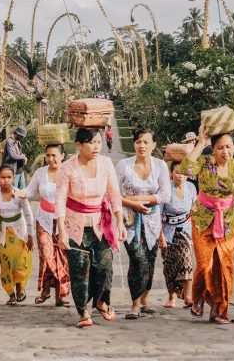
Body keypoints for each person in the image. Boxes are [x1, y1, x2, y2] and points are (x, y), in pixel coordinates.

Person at [180, 120, 234, 324]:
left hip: (228, 223)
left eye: (228, 147)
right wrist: (200, 142)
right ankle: (197, 298)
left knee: (224, 268)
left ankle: (218, 310)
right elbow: (185, 169)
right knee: (205, 265)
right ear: (212, 149)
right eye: (219, 147)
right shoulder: (204, 162)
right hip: (202, 220)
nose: (224, 151)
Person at [55, 128, 126, 328]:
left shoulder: (105, 164)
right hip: (74, 227)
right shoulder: (68, 168)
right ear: (79, 145)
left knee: (104, 266)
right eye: (91, 142)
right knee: (79, 271)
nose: (96, 146)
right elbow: (59, 200)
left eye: (98, 142)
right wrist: (61, 231)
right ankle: (83, 312)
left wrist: (120, 221)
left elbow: (114, 194)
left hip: (100, 225)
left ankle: (102, 302)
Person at [115, 128, 170, 319]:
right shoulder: (124, 165)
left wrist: (142, 199)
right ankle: (135, 303)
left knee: (150, 260)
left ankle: (145, 298)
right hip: (130, 219)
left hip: (153, 220)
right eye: (138, 141)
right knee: (137, 259)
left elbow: (165, 194)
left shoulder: (161, 166)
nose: (142, 145)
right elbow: (113, 193)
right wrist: (132, 203)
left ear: (154, 145)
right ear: (134, 144)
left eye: (146, 142)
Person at [19, 143, 71, 306]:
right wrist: (17, 192)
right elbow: (29, 191)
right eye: (47, 155)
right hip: (44, 219)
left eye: (54, 155)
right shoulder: (40, 173)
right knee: (47, 255)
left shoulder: (69, 173)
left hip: (65, 221)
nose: (50, 159)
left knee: (62, 257)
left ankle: (58, 295)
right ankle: (47, 289)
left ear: (62, 155)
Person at [0, 165, 36, 304]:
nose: (6, 180)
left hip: (20, 233)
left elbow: (28, 215)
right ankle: (11, 295)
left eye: (9, 177)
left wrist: (31, 236)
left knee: (20, 263)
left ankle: (20, 288)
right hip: (3, 234)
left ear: (13, 178)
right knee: (6, 265)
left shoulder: (19, 194)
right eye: (3, 177)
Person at [161, 159, 195, 309]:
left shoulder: (191, 187)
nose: (180, 176)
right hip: (167, 231)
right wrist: (160, 235)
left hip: (185, 231)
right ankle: (172, 296)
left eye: (183, 172)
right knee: (169, 264)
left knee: (186, 258)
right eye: (177, 172)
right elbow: (158, 213)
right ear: (171, 173)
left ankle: (188, 296)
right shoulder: (165, 188)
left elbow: (195, 208)